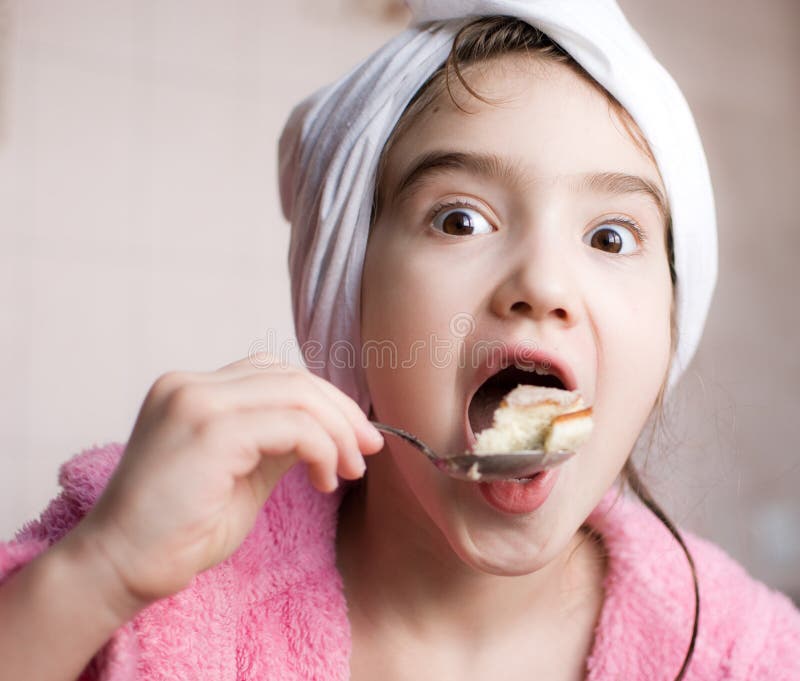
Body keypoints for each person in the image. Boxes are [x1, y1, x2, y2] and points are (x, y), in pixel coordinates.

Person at [1, 3, 799, 680]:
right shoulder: (147, 568)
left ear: (666, 334)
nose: (545, 284)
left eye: (612, 236)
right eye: (460, 219)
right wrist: (98, 575)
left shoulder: (748, 653)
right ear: (351, 301)